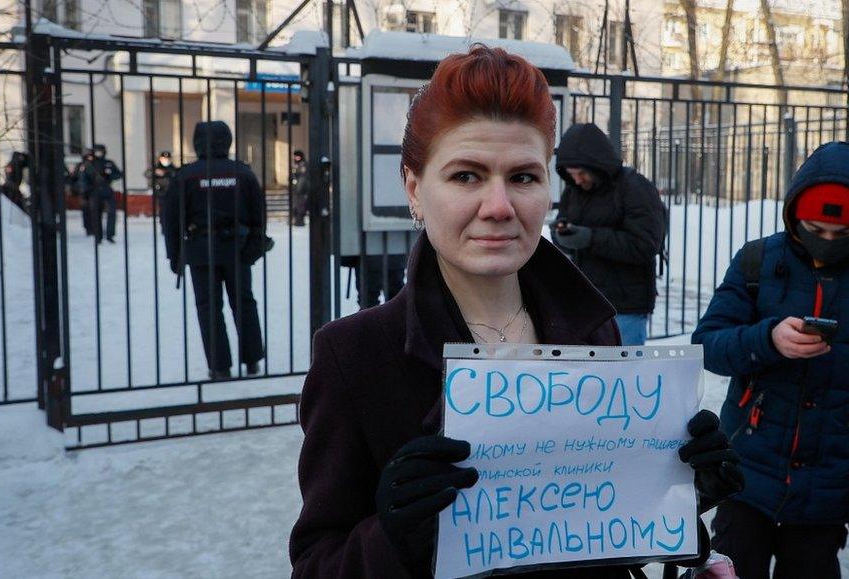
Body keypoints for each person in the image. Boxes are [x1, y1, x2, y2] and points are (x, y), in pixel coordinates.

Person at [289, 46, 742, 579]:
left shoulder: (595, 331)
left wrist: (676, 494)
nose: (500, 206)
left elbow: (599, 536)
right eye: (466, 176)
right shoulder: (356, 356)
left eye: (523, 177)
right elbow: (318, 566)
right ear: (415, 189)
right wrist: (393, 537)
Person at [691, 141, 849, 579]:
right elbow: (708, 346)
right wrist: (768, 339)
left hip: (827, 483)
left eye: (842, 235)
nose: (826, 244)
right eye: (815, 228)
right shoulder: (757, 261)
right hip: (745, 473)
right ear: (795, 215)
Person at [162, 121, 266, 380]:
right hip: (237, 250)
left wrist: (175, 256)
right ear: (228, 141)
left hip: (200, 250)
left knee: (208, 308)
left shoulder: (186, 175)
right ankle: (252, 361)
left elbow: (171, 221)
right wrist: (252, 249)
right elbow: (259, 215)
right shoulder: (243, 173)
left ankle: (220, 367)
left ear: (197, 142)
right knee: (244, 304)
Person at [551, 123, 666, 346]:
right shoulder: (575, 190)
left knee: (621, 375)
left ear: (597, 165)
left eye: (582, 173)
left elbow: (645, 245)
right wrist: (563, 235)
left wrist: (589, 238)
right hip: (585, 302)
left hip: (625, 307)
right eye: (572, 174)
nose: (577, 180)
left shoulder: (634, 187)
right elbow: (566, 228)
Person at [79, 144, 123, 243]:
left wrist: (109, 176)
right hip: (94, 191)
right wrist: (86, 191)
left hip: (107, 189)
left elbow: (118, 174)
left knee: (112, 212)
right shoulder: (89, 164)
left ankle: (110, 235)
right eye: (97, 151)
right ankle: (98, 236)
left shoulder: (108, 163)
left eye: (101, 151)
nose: (99, 153)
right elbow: (83, 178)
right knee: (96, 214)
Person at [290, 150, 310, 226]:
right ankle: (296, 220)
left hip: (301, 190)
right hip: (295, 189)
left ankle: (300, 221)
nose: (295, 158)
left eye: (297, 156)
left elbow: (304, 178)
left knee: (301, 206)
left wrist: (299, 189)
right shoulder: (295, 165)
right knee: (296, 205)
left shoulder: (303, 165)